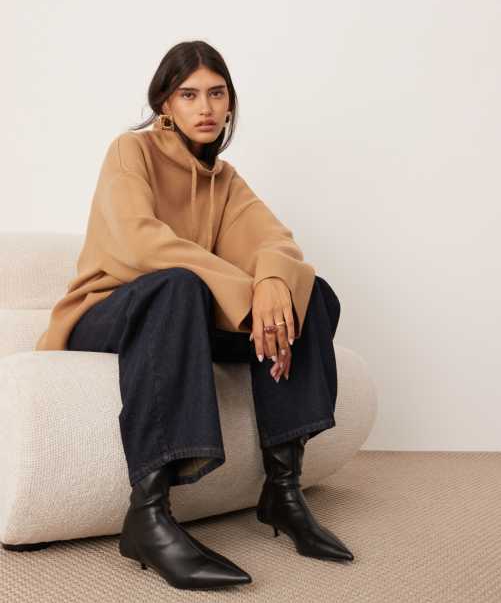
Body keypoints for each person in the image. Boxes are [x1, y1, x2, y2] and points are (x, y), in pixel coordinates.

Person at [37, 40, 354, 590]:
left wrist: (272, 283)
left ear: (230, 104)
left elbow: (275, 242)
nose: (204, 107)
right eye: (188, 95)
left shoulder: (224, 180)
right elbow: (140, 243)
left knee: (309, 293)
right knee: (179, 284)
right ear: (165, 103)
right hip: (108, 312)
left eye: (216, 93)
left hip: (180, 317)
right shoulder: (130, 152)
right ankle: (148, 514)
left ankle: (283, 491)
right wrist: (248, 293)